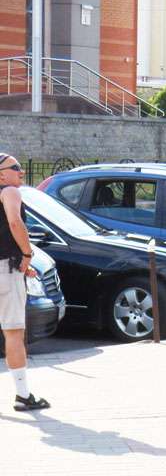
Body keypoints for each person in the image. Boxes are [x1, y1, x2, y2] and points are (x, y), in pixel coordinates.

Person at [0, 153, 50, 411]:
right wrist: (27, 254)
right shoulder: (9, 192)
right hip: (5, 270)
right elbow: (14, 221)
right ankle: (22, 395)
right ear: (1, 174)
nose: (21, 172)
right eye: (15, 168)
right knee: (13, 333)